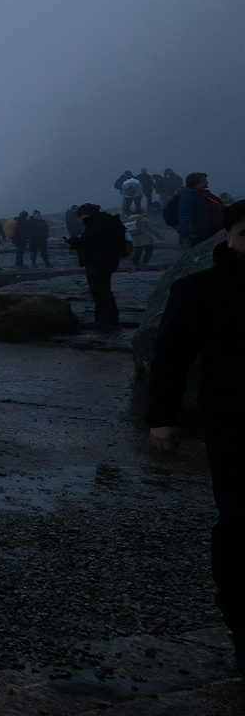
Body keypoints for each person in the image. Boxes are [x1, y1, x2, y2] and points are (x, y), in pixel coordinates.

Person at [146, 199, 245, 674]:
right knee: (239, 523)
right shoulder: (199, 289)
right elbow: (170, 356)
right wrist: (163, 417)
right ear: (226, 237)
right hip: (234, 421)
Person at [66, 202, 130, 330]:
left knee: (100, 292)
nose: (80, 220)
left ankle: (104, 321)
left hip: (99, 262)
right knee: (104, 291)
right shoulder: (105, 221)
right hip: (107, 261)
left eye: (80, 216)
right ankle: (110, 320)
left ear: (85, 214)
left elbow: (89, 242)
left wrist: (74, 242)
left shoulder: (98, 225)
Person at [167, 172, 225, 245]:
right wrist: (192, 232)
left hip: (209, 228)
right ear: (196, 183)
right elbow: (185, 214)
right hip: (200, 232)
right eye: (204, 180)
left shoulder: (202, 194)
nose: (207, 182)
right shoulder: (188, 195)